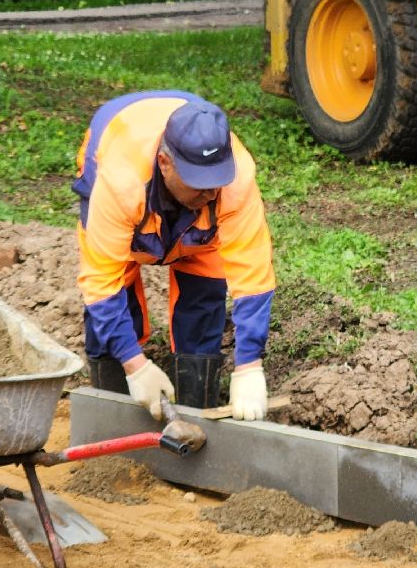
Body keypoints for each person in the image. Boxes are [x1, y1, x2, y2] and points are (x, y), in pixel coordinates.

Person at [71, 91, 274, 422]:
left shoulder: (235, 181)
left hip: (195, 230)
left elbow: (253, 274)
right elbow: (101, 283)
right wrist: (134, 366)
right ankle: (113, 421)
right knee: (117, 291)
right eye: (199, 183)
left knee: (204, 294)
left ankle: (195, 412)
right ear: (165, 164)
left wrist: (249, 365)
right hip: (116, 145)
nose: (210, 193)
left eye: (216, 182)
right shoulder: (120, 181)